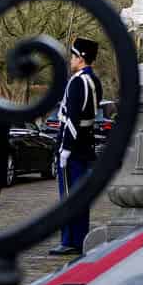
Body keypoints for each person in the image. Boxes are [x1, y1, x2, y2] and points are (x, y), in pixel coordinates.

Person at [50, 37, 103, 255]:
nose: (71, 60)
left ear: (81, 58)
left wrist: (65, 148)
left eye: (73, 56)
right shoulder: (93, 80)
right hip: (85, 143)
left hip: (73, 146)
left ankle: (70, 239)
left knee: (70, 194)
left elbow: (72, 118)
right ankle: (79, 237)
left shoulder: (78, 81)